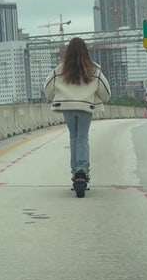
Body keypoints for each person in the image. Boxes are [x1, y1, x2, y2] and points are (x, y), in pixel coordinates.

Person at [44, 37, 112, 188]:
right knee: (82, 138)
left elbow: (47, 88)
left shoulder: (60, 70)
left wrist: (55, 96)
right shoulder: (94, 70)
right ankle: (82, 170)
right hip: (85, 107)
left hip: (67, 107)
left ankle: (75, 171)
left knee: (73, 138)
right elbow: (106, 93)